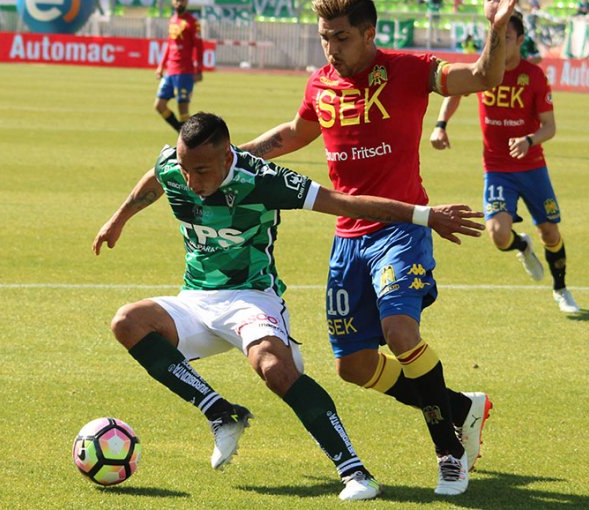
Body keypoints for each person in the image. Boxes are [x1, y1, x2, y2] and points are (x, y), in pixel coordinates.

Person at [93, 113, 486, 501]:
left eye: (202, 171)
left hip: (251, 297)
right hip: (195, 299)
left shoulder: (262, 180)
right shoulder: (174, 167)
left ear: (227, 157)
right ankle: (221, 413)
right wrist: (118, 219)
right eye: (185, 169)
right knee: (127, 322)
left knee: (274, 368)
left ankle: (354, 472)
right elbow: (157, 178)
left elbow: (345, 203)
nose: (192, 182)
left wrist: (425, 216)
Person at [238, 0, 518, 496]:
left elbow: (482, 77)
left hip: (402, 228)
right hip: (347, 238)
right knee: (354, 366)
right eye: (325, 38)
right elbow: (293, 133)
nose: (331, 48)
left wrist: (494, 30)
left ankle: (449, 453)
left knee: (400, 331)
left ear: (369, 33)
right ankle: (461, 408)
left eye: (341, 38)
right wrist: (235, 156)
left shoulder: (409, 71)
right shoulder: (321, 84)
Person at [430, 14, 581, 314]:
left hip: (532, 167)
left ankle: (561, 288)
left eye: (506, 38)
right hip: (497, 168)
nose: (498, 44)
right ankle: (521, 246)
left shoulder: (534, 76)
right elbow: (456, 92)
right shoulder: (485, 69)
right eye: (494, 38)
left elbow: (549, 126)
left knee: (550, 232)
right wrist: (440, 125)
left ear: (521, 41)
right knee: (499, 235)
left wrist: (529, 140)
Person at [154, 0, 204, 133]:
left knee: (183, 108)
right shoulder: (172, 20)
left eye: (182, 0)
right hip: (170, 71)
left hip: (185, 71)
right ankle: (182, 134)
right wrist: (161, 66)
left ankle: (187, 140)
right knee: (159, 105)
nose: (179, 3)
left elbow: (199, 47)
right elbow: (169, 45)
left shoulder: (192, 22)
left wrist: (198, 70)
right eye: (177, 0)